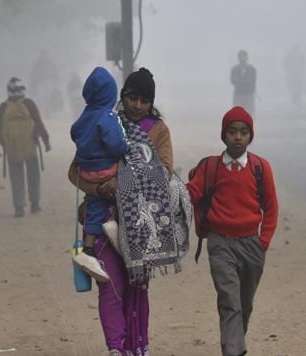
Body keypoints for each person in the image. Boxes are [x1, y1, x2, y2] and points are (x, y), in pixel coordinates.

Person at [67, 67, 175, 356]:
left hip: (141, 222)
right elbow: (75, 171)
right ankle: (115, 347)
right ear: (122, 97)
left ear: (151, 102)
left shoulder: (158, 131)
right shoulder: (106, 121)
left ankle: (137, 346)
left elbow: (164, 173)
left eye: (143, 100)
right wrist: (97, 189)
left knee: (136, 287)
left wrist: (122, 183)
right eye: (132, 98)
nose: (137, 105)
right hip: (104, 219)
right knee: (110, 284)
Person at [187, 106, 279, 356]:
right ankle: (234, 352)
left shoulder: (261, 168)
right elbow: (191, 193)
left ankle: (233, 344)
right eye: (232, 132)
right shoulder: (211, 167)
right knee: (230, 301)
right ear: (223, 135)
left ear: (251, 136)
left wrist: (264, 242)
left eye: (244, 132)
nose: (238, 137)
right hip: (220, 244)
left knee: (244, 305)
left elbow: (271, 208)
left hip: (252, 245)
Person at [70, 67, 128, 282]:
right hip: (107, 169)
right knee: (124, 185)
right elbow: (115, 144)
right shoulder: (107, 116)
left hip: (87, 171)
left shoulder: (84, 116)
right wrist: (125, 148)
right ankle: (116, 227)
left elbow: (74, 132)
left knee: (94, 202)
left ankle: (89, 248)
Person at [0, 77, 51, 217]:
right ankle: (35, 204)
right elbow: (38, 122)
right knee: (33, 175)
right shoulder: (29, 104)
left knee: (16, 176)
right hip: (30, 146)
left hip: (11, 148)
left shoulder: (3, 107)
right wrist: (46, 141)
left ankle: (19, 207)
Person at [230, 50, 257, 115]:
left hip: (249, 94)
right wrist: (245, 81)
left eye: (244, 56)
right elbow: (232, 80)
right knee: (237, 113)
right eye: (240, 57)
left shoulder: (252, 69)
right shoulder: (235, 69)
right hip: (238, 94)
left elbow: (253, 81)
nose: (242, 58)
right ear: (238, 58)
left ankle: (250, 124)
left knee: (249, 112)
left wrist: (240, 81)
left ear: (247, 57)